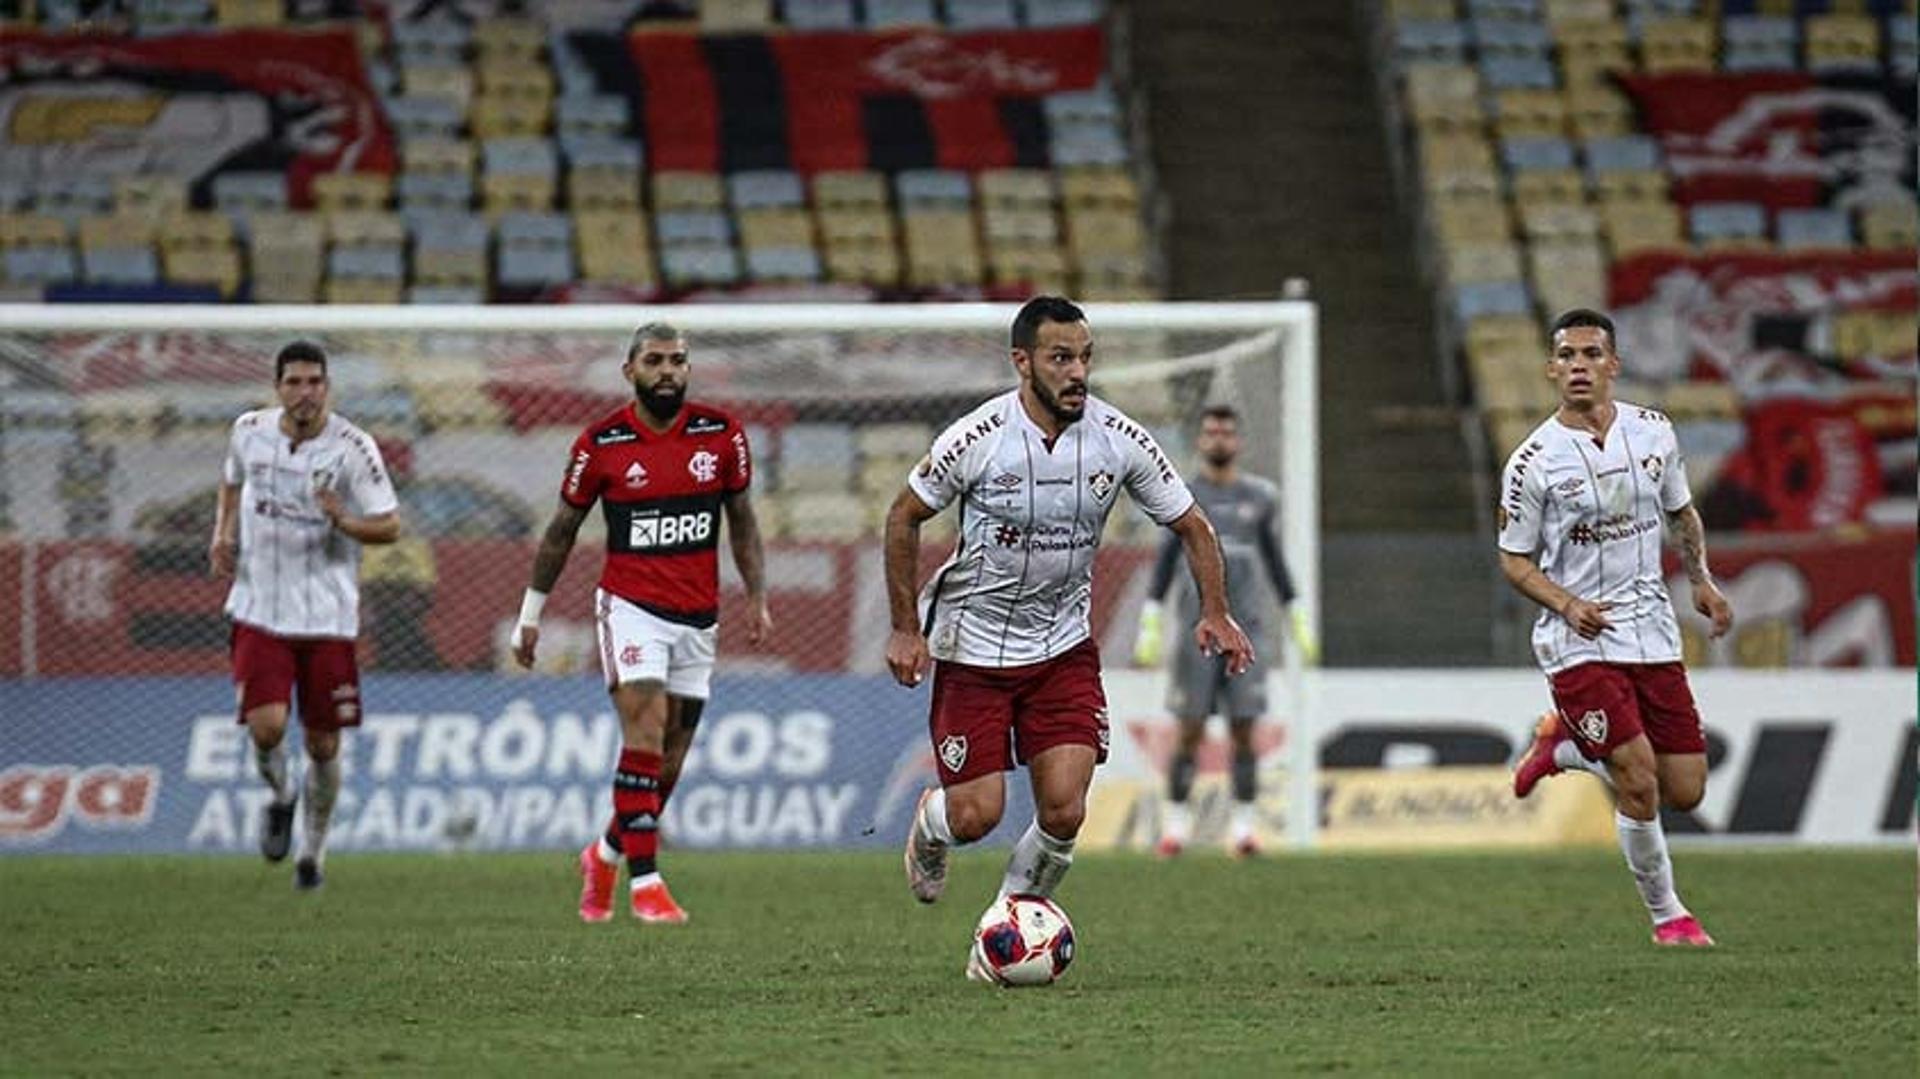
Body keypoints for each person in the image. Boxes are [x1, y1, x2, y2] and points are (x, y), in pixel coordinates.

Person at [885, 295, 1255, 981]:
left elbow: (1194, 525)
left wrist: (1216, 610)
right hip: (973, 649)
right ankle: (932, 825)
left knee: (1065, 807)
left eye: (1085, 357)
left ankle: (1000, 931)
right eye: (1061, 357)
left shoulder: (1119, 439)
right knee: (977, 815)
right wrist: (907, 627)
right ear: (1022, 362)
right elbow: (903, 516)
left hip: (1061, 649)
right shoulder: (978, 437)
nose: (1077, 371)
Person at [511, 321, 772, 926]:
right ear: (629, 370)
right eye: (654, 360)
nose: (668, 371)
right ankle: (646, 883)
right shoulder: (601, 444)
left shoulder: (721, 435)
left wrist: (756, 595)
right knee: (646, 732)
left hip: (698, 617)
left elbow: (743, 520)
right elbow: (560, 532)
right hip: (630, 611)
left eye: (678, 360)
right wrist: (531, 614)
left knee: (671, 759)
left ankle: (603, 854)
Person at [1500, 308, 1735, 948]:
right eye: (1567, 356)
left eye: (1591, 354)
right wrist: (1566, 603)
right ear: (1551, 369)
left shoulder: (1654, 433)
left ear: (1614, 364)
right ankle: (1670, 917)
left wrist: (1702, 581)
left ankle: (1567, 746)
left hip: (1652, 630)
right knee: (1637, 779)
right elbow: (1513, 559)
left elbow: (1681, 513)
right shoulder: (1533, 462)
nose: (1579, 366)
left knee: (1684, 789)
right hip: (1577, 640)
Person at [209, 340, 402, 892]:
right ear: (278, 388)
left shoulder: (353, 449)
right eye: (294, 382)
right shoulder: (248, 430)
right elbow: (230, 478)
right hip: (258, 608)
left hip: (327, 618)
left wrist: (343, 520)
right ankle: (281, 797)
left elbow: (389, 525)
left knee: (323, 745)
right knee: (267, 729)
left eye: (315, 382)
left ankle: (312, 855)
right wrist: (222, 532)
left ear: (327, 387)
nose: (305, 392)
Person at [1131, 404, 1318, 859]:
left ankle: (1243, 831)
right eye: (1211, 432)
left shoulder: (1260, 497)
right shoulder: (1182, 494)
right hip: (1198, 636)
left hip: (1247, 632)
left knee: (1244, 729)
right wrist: (1151, 617)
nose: (1219, 439)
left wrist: (1295, 612)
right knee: (1190, 729)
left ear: (1238, 441)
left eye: (1226, 433)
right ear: (1200, 440)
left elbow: (1273, 559)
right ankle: (1175, 828)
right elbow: (1167, 560)